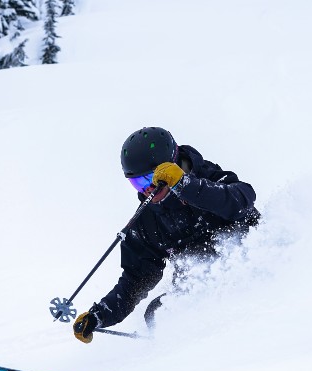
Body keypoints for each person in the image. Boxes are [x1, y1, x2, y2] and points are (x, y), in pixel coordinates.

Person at [72, 126, 260, 343]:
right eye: (137, 182)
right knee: (157, 313)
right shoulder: (147, 220)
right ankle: (169, 363)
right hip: (201, 289)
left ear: (172, 165)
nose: (147, 188)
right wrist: (99, 316)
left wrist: (184, 185)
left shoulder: (206, 178)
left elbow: (241, 199)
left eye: (152, 178)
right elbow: (137, 278)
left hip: (250, 267)